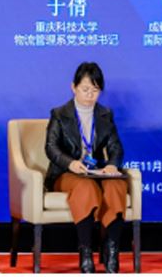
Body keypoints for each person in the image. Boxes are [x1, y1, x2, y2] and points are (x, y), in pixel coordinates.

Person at [45, 62, 130, 273]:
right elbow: (51, 147)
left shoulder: (105, 114)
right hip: (66, 173)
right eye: (85, 89)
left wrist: (112, 165)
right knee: (86, 188)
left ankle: (112, 251)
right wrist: (70, 163)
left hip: (95, 172)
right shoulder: (60, 114)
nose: (90, 95)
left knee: (116, 186)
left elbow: (116, 147)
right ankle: (86, 252)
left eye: (95, 90)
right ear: (73, 87)